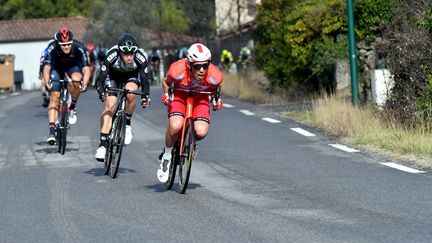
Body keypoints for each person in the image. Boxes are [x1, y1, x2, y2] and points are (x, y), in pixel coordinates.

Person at [157, 43, 223, 183]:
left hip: (200, 98)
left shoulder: (215, 75)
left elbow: (216, 88)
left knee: (201, 131)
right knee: (175, 126)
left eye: (205, 66)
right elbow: (166, 82)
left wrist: (216, 100)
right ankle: (167, 156)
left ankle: (192, 139)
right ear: (189, 65)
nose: (201, 70)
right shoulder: (177, 70)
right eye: (197, 66)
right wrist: (167, 95)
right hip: (180, 95)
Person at [95, 33, 151, 161]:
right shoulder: (112, 55)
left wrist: (145, 96)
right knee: (110, 105)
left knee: (130, 92)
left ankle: (127, 124)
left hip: (131, 77)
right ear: (120, 52)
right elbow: (100, 79)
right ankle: (103, 145)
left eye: (132, 54)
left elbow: (145, 80)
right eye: (126, 54)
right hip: (113, 77)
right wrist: (101, 92)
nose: (129, 57)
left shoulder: (141, 58)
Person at [42, 27, 91, 145]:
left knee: (77, 80)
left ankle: (72, 107)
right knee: (54, 96)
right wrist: (47, 80)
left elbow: (86, 68)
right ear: (58, 43)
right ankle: (52, 131)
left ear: (72, 42)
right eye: (63, 45)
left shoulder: (79, 46)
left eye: (69, 44)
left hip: (73, 67)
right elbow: (47, 67)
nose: (66, 47)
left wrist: (84, 82)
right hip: (56, 68)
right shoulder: (52, 47)